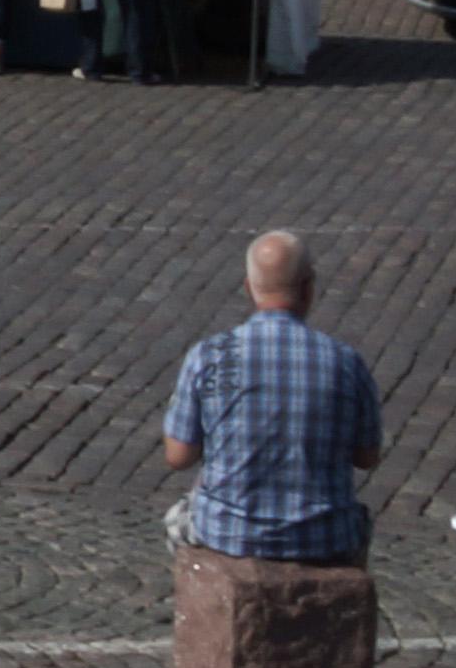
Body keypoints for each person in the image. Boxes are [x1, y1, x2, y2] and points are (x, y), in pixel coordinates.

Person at [159, 231, 381, 565]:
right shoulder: (347, 361)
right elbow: (366, 456)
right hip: (324, 535)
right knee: (359, 523)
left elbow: (178, 456)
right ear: (308, 288)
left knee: (176, 521)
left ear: (249, 287)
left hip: (228, 530)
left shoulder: (208, 355)